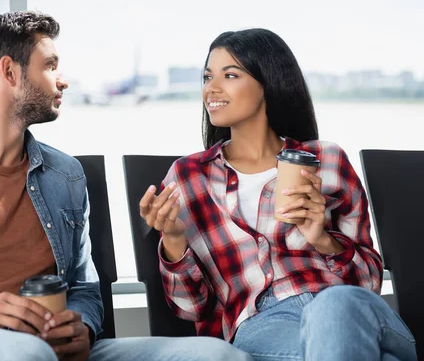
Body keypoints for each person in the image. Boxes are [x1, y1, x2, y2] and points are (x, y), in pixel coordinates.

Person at [0, 11, 253, 361]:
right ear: (8, 71)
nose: (63, 80)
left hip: (45, 351)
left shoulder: (65, 175)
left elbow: (84, 288)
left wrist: (83, 327)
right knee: (25, 354)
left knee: (216, 355)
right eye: (50, 65)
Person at [139, 28, 417, 361]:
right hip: (262, 323)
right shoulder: (188, 179)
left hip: (350, 307)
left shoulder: (326, 160)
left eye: (229, 75)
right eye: (207, 76)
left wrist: (322, 239)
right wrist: (172, 240)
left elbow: (369, 281)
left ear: (268, 81)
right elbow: (189, 308)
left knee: (336, 305)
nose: (211, 88)